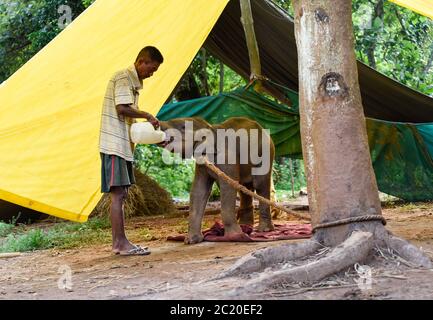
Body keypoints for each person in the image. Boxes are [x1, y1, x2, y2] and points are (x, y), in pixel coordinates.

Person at [99, 46, 164, 256]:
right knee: (118, 194)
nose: (151, 74)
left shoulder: (133, 84)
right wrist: (146, 114)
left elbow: (129, 121)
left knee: (122, 193)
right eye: (151, 69)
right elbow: (122, 109)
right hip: (114, 145)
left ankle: (122, 241)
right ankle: (119, 244)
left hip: (122, 145)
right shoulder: (123, 77)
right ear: (141, 62)